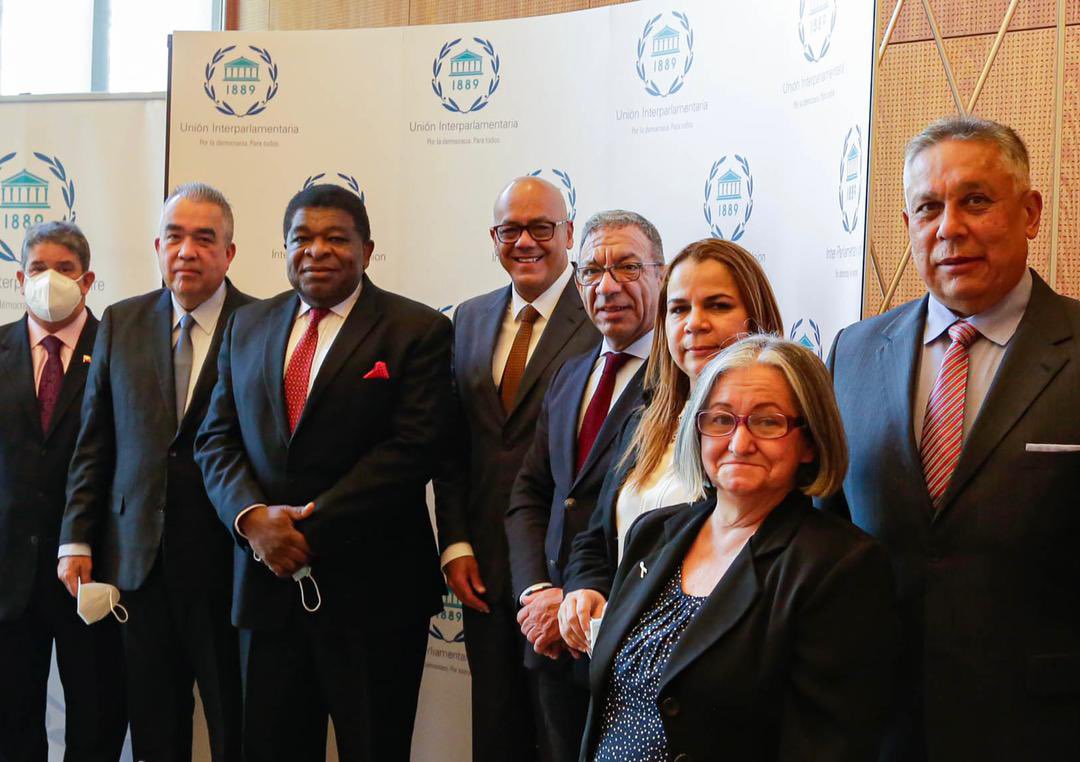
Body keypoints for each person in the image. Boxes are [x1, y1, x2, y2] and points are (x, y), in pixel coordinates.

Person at [821, 115, 1080, 760]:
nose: (949, 228)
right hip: (880, 724)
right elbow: (823, 532)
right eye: (928, 208)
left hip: (1042, 725)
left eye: (976, 201)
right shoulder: (854, 353)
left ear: (1030, 213)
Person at [194, 184, 453, 761]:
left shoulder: (417, 329)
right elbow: (215, 439)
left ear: (367, 250)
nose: (317, 251)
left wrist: (303, 530)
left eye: (336, 238)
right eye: (302, 238)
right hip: (266, 592)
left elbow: (414, 449)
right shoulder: (246, 325)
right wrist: (252, 520)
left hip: (375, 597)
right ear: (284, 248)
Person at [582, 335, 897, 762]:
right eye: (721, 419)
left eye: (767, 422)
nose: (739, 442)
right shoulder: (652, 534)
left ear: (809, 441)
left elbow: (828, 746)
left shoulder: (840, 567)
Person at [58, 184, 250, 762]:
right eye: (174, 237)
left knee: (236, 725)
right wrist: (76, 537)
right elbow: (95, 441)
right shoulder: (122, 321)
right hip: (137, 563)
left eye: (204, 238)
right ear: (158, 246)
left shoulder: (261, 324)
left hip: (228, 564)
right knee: (155, 731)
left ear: (229, 253)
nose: (186, 251)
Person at [434, 176, 599, 762]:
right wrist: (455, 543)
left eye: (541, 228)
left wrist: (577, 577)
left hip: (565, 577)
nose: (525, 242)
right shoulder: (469, 318)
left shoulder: (601, 315)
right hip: (482, 568)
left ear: (569, 234)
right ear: (494, 237)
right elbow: (453, 444)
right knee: (495, 732)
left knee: (562, 738)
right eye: (510, 230)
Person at [559, 239, 783, 651]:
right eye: (678, 309)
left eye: (717, 305)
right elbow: (595, 536)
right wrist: (585, 587)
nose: (694, 323)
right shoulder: (642, 420)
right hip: (619, 658)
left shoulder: (773, 437)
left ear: (755, 319)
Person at [505, 209, 665, 762]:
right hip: (549, 637)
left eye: (627, 267)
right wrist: (536, 593)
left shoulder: (680, 381)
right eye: (592, 271)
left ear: (661, 275)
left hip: (628, 639)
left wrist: (583, 601)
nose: (608, 285)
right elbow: (531, 494)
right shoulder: (570, 374)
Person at [0, 222, 126, 761]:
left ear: (88, 279)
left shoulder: (122, 349)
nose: (48, 279)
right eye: (37, 268)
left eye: (64, 268)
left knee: (97, 723)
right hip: (9, 576)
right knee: (10, 726)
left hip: (93, 572)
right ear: (19, 278)